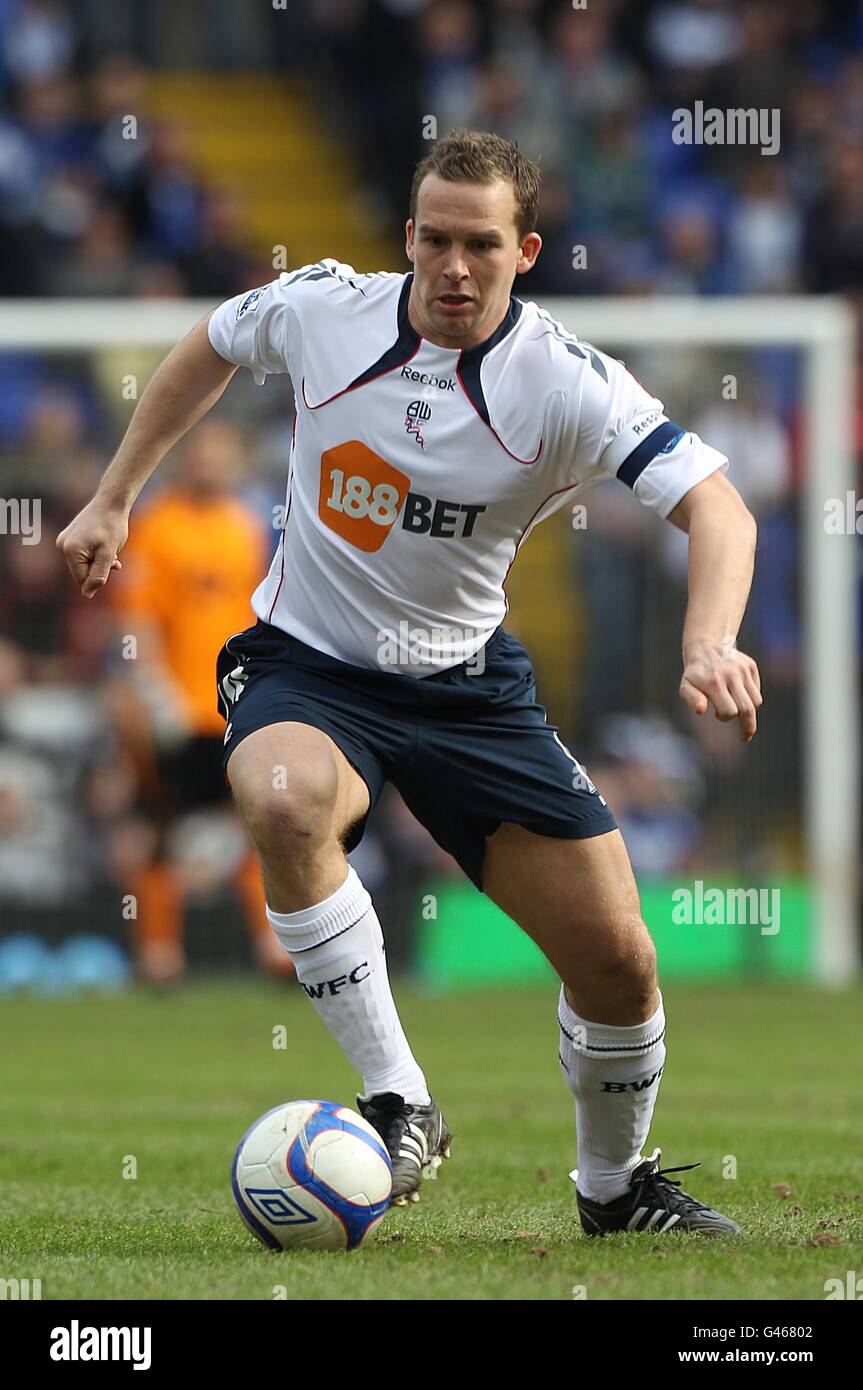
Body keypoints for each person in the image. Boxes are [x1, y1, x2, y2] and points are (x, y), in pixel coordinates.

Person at [57, 129, 761, 1234]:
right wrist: (115, 494)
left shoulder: (567, 381)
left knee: (618, 962)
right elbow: (208, 341)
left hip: (467, 689)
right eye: (433, 239)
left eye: (479, 244)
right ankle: (400, 1100)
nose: (453, 267)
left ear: (524, 250)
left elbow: (715, 505)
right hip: (307, 667)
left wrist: (706, 640)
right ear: (407, 238)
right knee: (284, 798)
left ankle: (614, 1191)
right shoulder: (324, 306)